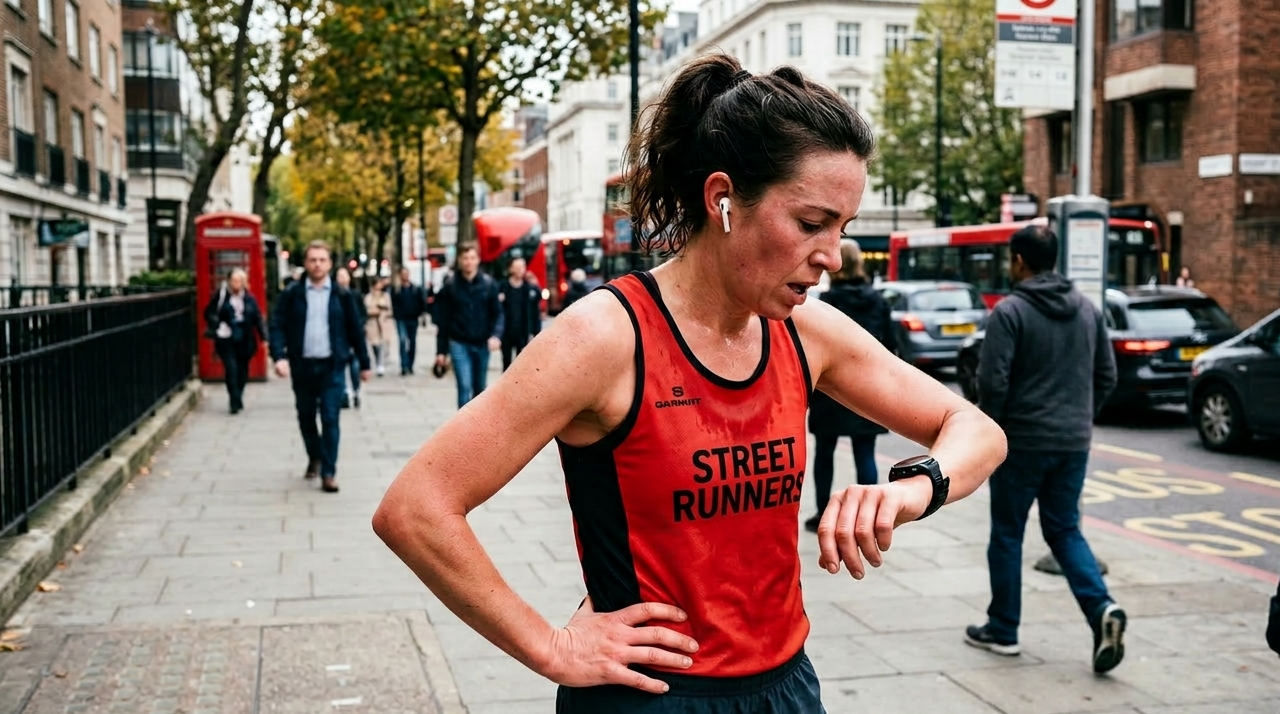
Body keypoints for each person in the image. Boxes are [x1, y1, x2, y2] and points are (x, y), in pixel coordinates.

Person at [373, 54, 1006, 713]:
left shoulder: (806, 331)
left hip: (786, 688)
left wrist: (911, 490)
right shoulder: (607, 335)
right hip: (655, 697)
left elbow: (977, 431)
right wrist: (551, 647)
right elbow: (418, 507)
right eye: (811, 224)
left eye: (841, 229)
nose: (830, 255)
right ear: (723, 200)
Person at [966, 225, 1125, 674]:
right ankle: (1101, 609)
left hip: (1021, 442)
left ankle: (1003, 629)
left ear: (1019, 260)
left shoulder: (1010, 312)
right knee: (1065, 530)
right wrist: (1079, 416)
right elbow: (1107, 375)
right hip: (1073, 442)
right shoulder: (1088, 310)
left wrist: (987, 428)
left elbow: (992, 383)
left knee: (1008, 533)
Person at [804, 239, 897, 533]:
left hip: (830, 391)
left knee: (825, 452)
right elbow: (891, 346)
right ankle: (867, 518)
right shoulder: (878, 301)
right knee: (865, 452)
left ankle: (821, 513)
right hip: (867, 390)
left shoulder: (826, 304)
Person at [269, 240, 370, 493]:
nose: (317, 264)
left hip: (332, 366)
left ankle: (328, 471)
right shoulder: (293, 293)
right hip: (302, 366)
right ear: (305, 263)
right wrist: (278, 356)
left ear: (329, 264)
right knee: (306, 417)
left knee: (330, 417)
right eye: (313, 259)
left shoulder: (342, 295)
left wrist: (364, 363)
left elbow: (355, 329)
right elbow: (277, 325)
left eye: (322, 260)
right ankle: (314, 454)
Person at [432, 244, 504, 408]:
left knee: (480, 388)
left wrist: (496, 335)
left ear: (477, 260)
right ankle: (463, 431)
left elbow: (498, 313)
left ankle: (478, 428)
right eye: (465, 258)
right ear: (459, 260)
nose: (468, 262)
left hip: (482, 342)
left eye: (472, 258)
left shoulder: (488, 284)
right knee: (464, 386)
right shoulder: (451, 286)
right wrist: (440, 352)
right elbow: (443, 321)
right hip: (459, 343)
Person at [204, 267, 266, 414]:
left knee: (242, 370)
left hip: (245, 338)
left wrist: (264, 337)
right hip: (226, 338)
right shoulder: (221, 296)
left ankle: (239, 394)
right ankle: (234, 399)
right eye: (233, 280)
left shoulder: (250, 298)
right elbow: (208, 312)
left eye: (239, 281)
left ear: (244, 282)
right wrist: (218, 324)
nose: (236, 284)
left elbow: (257, 318)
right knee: (231, 369)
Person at [498, 257, 543, 371]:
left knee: (521, 364)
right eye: (517, 267)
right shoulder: (502, 287)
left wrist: (535, 333)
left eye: (522, 267)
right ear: (510, 269)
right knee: (506, 362)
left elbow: (535, 312)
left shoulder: (529, 288)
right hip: (506, 332)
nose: (520, 270)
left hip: (523, 331)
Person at [335, 267, 366, 409]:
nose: (341, 278)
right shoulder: (334, 295)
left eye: (344, 275)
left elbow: (361, 313)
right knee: (341, 367)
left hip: (353, 335)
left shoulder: (355, 294)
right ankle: (344, 394)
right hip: (340, 337)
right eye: (339, 276)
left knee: (354, 366)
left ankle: (355, 390)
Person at [392, 267, 430, 375]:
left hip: (413, 319)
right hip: (401, 319)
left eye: (406, 274)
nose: (405, 276)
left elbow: (421, 303)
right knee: (403, 341)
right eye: (403, 274)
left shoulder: (415, 289)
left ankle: (410, 364)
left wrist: (422, 314)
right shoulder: (397, 290)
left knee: (412, 342)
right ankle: (404, 365)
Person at [365, 277, 393, 377]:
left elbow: (389, 309)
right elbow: (366, 309)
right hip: (373, 323)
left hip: (383, 323)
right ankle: (377, 361)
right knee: (374, 345)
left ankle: (381, 364)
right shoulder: (368, 297)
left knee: (383, 345)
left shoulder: (385, 296)